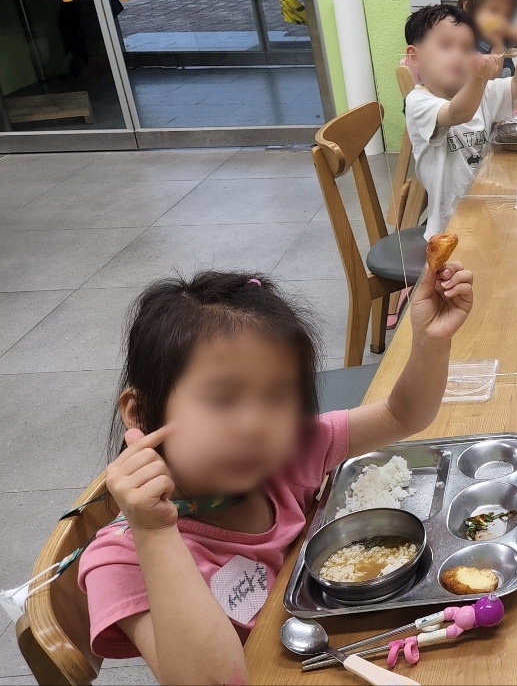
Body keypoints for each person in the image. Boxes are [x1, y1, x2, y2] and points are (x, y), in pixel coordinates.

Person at [78, 267, 474, 683]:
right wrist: (155, 533)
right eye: (222, 399)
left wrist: (431, 341)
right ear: (141, 413)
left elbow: (400, 413)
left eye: (276, 396)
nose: (254, 425)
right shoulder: (123, 559)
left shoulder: (285, 457)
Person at [402, 3, 517, 240]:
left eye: (466, 49)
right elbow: (457, 113)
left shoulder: (481, 91)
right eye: (446, 46)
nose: (458, 55)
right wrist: (478, 77)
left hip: (487, 215)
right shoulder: (419, 102)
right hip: (448, 229)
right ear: (415, 56)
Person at [458, 0, 517, 77]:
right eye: (494, 10)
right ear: (468, 6)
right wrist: (497, 46)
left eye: (506, 14)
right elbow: (488, 83)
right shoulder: (461, 44)